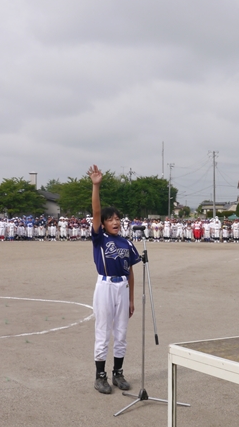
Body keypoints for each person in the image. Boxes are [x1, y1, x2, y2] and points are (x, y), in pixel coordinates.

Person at [87, 164, 141, 394]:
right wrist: (96, 186)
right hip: (105, 286)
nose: (115, 222)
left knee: (121, 333)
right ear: (105, 223)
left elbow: (130, 271)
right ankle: (101, 376)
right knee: (103, 332)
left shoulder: (127, 243)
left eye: (118, 218)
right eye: (111, 219)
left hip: (122, 288)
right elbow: (96, 212)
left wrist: (131, 299)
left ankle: (118, 373)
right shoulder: (100, 239)